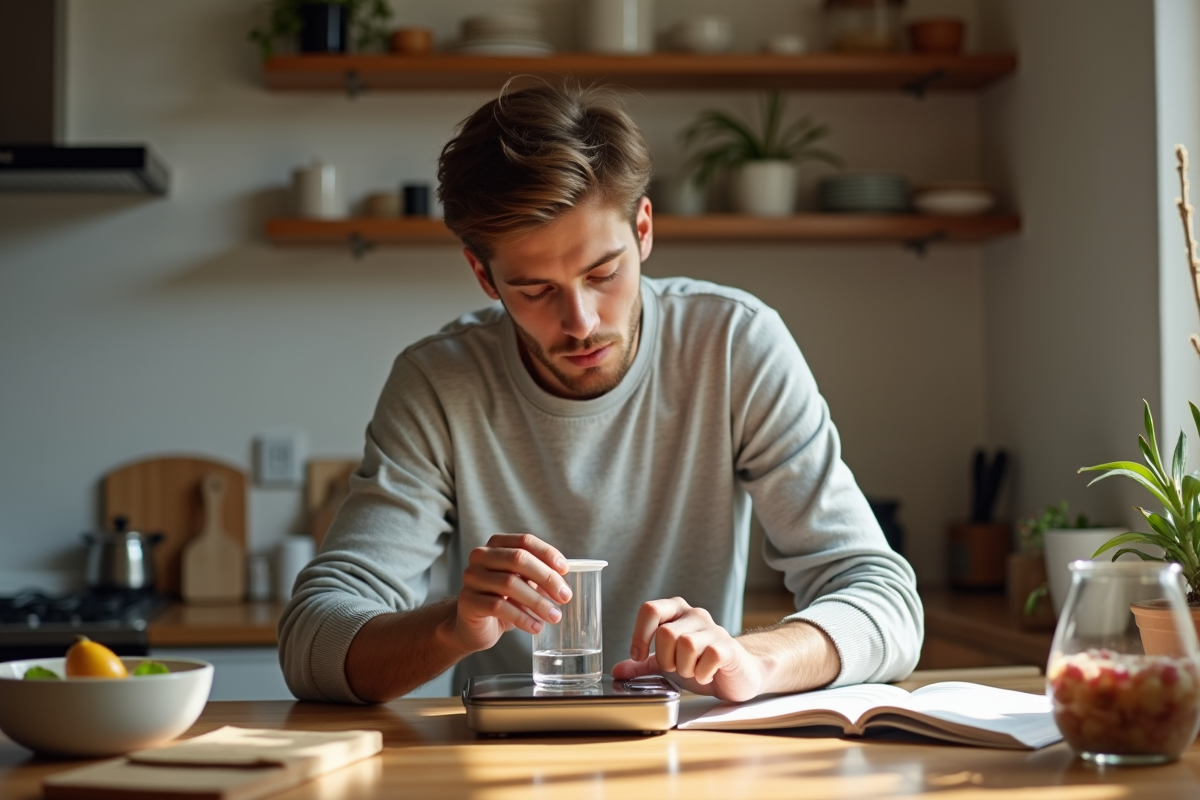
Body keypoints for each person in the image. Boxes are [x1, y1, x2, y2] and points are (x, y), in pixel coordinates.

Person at [278, 82, 922, 705]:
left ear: (643, 229)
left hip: (691, 753)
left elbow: (884, 600)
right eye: (534, 290)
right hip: (501, 761)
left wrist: (755, 660)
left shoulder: (734, 344)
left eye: (603, 273)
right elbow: (312, 639)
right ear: (484, 275)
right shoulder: (438, 384)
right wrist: (453, 628)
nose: (581, 321)